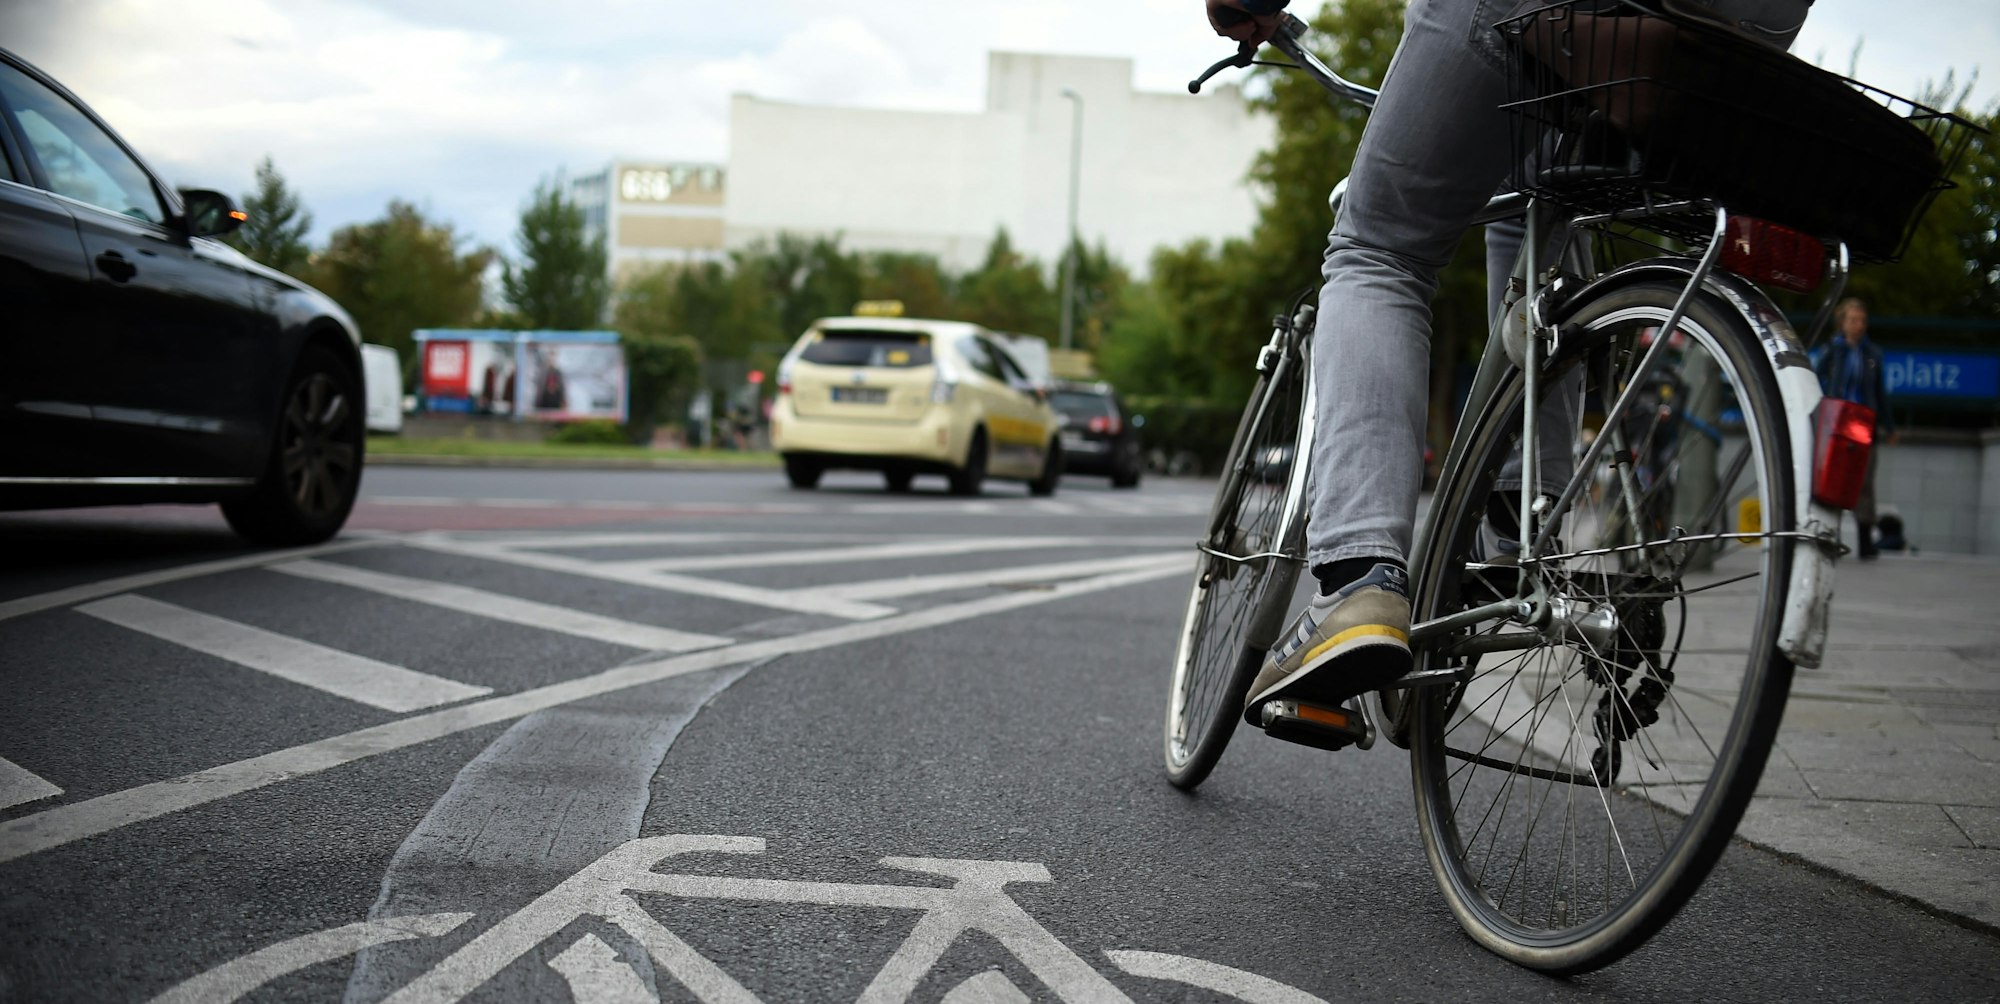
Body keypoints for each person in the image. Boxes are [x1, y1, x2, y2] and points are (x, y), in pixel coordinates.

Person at [1202, 0, 1811, 722]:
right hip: (1748, 20)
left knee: (1382, 246)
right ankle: (1520, 519)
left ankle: (1358, 581)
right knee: (1540, 193)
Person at [1811, 297, 1897, 559]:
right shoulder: (1833, 350)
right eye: (1852, 320)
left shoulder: (1873, 354)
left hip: (1864, 421)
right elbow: (1816, 375)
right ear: (1842, 323)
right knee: (1833, 480)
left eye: (1861, 320)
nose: (1858, 325)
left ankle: (1864, 541)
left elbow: (1879, 392)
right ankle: (1829, 537)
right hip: (1838, 420)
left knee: (1864, 481)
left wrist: (1889, 426)